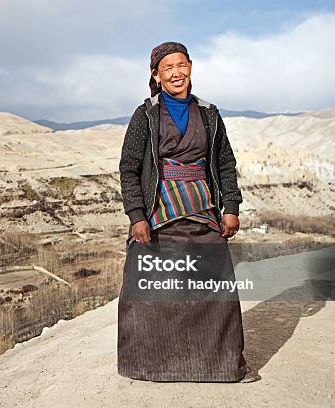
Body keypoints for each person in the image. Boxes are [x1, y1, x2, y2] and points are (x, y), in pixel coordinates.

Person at [117, 41, 260, 383]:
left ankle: (221, 366)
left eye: (181, 65)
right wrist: (137, 215)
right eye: (168, 68)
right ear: (156, 75)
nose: (176, 73)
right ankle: (149, 366)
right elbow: (129, 167)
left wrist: (231, 207)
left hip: (204, 212)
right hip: (159, 213)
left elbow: (225, 163)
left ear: (191, 67)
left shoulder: (209, 113)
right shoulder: (145, 115)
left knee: (215, 290)